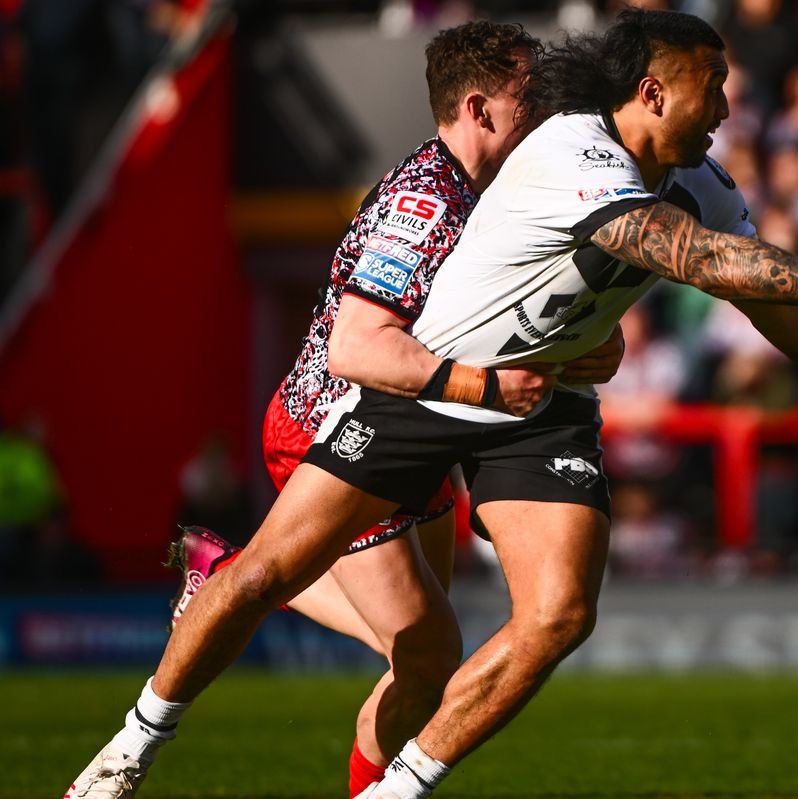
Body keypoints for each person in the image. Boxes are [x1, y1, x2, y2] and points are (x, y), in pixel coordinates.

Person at [67, 10, 798, 799]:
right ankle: (130, 747)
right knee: (276, 575)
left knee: (551, 616)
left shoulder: (701, 180)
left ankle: (398, 789)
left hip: (537, 397)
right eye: (715, 85)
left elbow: (760, 294)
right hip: (428, 386)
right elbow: (687, 256)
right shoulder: (568, 151)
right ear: (654, 93)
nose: (728, 107)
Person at [65, 19, 623, 799]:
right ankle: (207, 625)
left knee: (421, 667)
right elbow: (356, 352)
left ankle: (233, 575)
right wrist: (496, 389)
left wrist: (587, 342)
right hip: (336, 422)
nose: (552, 114)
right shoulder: (426, 202)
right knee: (429, 651)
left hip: (419, 425)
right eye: (530, 97)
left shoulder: (504, 197)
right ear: (479, 109)